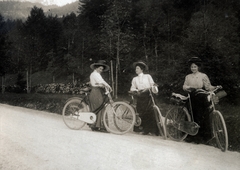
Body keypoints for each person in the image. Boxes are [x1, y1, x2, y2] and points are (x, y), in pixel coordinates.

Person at [183, 56, 218, 143]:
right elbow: (184, 86)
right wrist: (188, 87)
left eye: (195, 66)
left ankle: (201, 137)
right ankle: (190, 136)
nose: (193, 68)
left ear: (198, 67)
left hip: (201, 97)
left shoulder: (203, 76)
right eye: (192, 67)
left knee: (201, 115)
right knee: (191, 115)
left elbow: (208, 86)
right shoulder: (188, 77)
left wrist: (215, 87)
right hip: (192, 97)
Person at [130, 61, 159, 136]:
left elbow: (153, 85)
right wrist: (136, 91)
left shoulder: (148, 76)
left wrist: (152, 88)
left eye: (137, 68)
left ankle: (152, 130)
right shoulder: (134, 79)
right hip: (140, 96)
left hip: (148, 96)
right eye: (136, 68)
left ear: (142, 69)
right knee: (140, 111)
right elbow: (132, 88)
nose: (136, 70)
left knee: (150, 111)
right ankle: (142, 129)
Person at [88, 60, 112, 131]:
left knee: (100, 107)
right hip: (95, 92)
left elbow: (101, 83)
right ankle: (99, 126)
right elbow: (101, 82)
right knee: (100, 107)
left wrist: (105, 86)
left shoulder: (97, 74)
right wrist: (108, 86)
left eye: (102, 69)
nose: (101, 70)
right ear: (96, 68)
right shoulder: (95, 74)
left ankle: (96, 125)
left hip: (98, 92)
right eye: (100, 68)